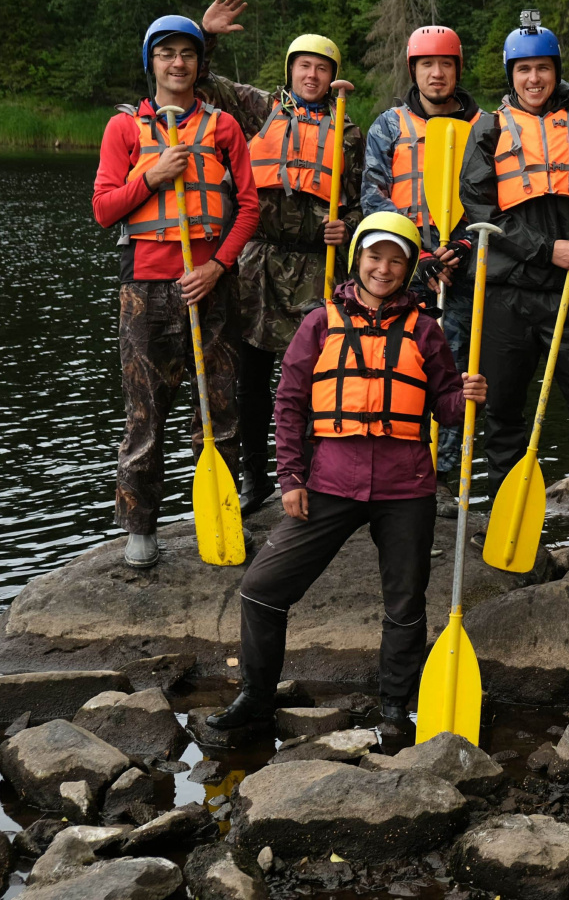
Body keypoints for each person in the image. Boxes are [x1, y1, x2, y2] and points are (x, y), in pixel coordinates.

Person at [206, 212, 486, 734]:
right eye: (375, 257)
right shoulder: (319, 323)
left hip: (405, 487)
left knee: (404, 604)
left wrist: (467, 396)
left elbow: (445, 407)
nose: (383, 269)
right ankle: (257, 696)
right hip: (331, 482)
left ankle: (394, 709)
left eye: (396, 260)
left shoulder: (426, 330)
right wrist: (290, 479)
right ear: (358, 258)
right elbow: (288, 403)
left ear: (408, 269)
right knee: (261, 588)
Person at [92, 15, 260, 568]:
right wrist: (153, 176)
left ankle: (222, 515)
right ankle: (140, 528)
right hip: (145, 288)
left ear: (198, 64)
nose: (178, 63)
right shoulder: (124, 130)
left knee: (220, 410)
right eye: (166, 54)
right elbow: (104, 209)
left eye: (187, 54)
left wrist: (217, 266)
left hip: (209, 285)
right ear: (152, 64)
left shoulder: (223, 127)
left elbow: (250, 209)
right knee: (145, 411)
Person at [458, 10, 569, 528]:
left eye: (543, 68)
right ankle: (510, 521)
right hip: (507, 296)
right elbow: (480, 212)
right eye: (523, 70)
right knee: (504, 415)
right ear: (510, 76)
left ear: (556, 72)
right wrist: (545, 249)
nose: (534, 79)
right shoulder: (489, 131)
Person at [196, 0, 364, 512]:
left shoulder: (348, 134)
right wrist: (208, 37)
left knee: (315, 377)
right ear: (290, 71)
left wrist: (349, 228)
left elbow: (365, 204)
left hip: (318, 266)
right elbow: (203, 82)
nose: (312, 76)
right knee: (253, 378)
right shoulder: (258, 109)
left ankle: (311, 475)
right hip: (258, 262)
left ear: (333, 76)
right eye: (303, 66)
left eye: (321, 69)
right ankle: (255, 478)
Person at [363, 25, 483, 512]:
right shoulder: (387, 127)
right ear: (413, 71)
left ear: (457, 70)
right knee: (397, 367)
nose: (437, 74)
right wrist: (420, 256)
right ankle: (399, 471)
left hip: (464, 268)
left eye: (446, 64)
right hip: (404, 270)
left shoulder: (486, 126)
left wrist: (460, 246)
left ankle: (447, 479)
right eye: (427, 65)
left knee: (454, 370)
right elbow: (372, 194)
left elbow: (493, 199)